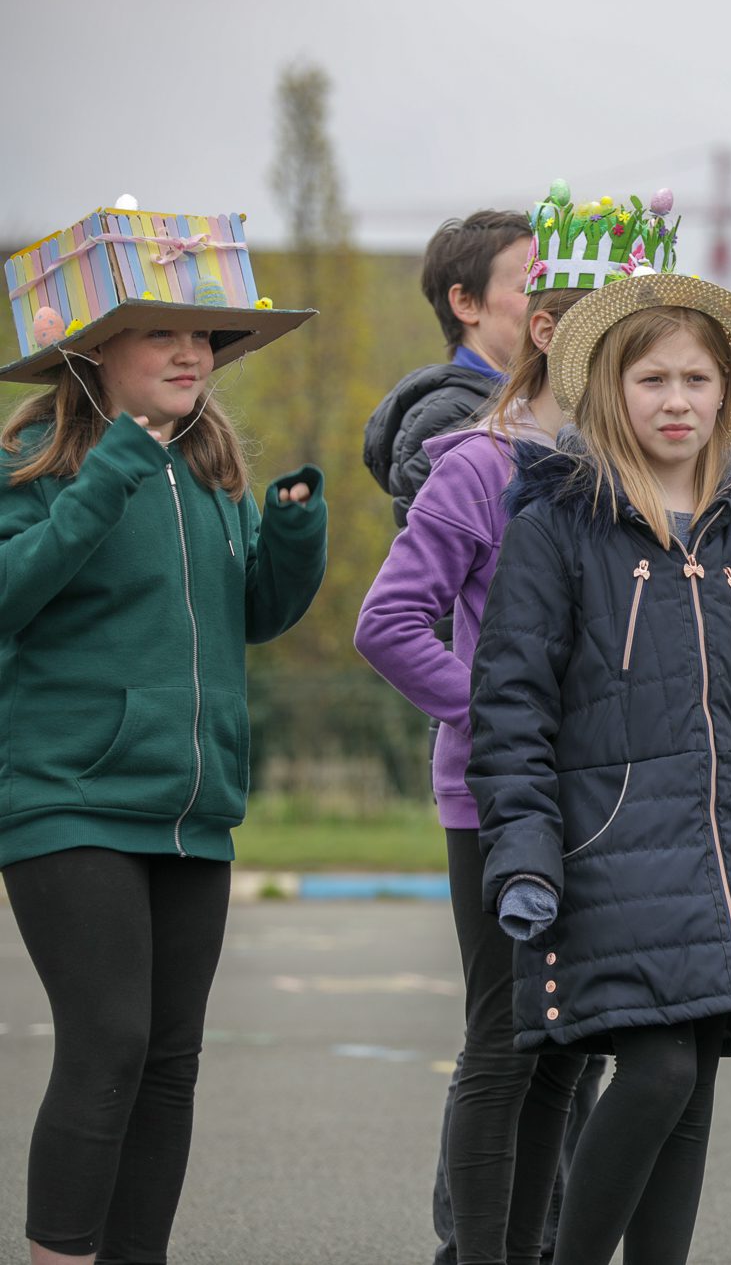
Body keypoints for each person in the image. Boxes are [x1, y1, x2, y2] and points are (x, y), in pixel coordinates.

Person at [467, 261, 731, 1265]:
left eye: (695, 379)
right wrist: (526, 855)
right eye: (652, 380)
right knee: (657, 1074)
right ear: (606, 388)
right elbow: (509, 712)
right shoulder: (554, 529)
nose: (676, 400)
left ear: (726, 393)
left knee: (691, 1093)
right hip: (607, 862)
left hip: (727, 869)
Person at [0, 203, 326, 1264]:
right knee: (108, 1044)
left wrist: (290, 539)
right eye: (163, 331)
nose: (194, 351)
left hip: (195, 811)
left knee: (170, 1060)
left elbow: (249, 619)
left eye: (208, 335)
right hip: (67, 799)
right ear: (91, 349)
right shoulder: (35, 460)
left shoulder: (209, 467)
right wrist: (98, 483)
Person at [356, 182, 671, 1264]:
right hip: (499, 800)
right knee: (506, 1045)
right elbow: (389, 622)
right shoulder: (481, 465)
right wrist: (493, 722)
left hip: (608, 798)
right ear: (548, 332)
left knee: (569, 1051)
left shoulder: (634, 478)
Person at [365, 209, 535, 528]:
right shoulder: (448, 420)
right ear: (465, 303)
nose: (550, 305)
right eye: (529, 289)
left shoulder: (531, 404)